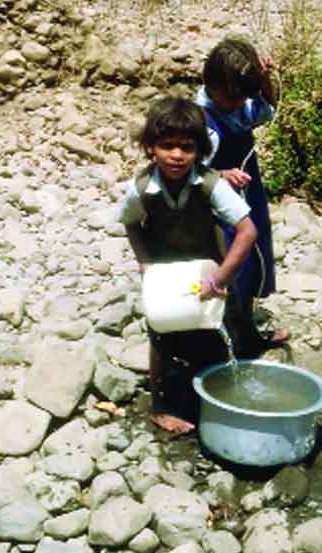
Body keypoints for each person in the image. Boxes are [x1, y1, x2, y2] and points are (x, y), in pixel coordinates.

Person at [119, 96, 258, 433]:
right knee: (162, 334)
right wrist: (145, 263)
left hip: (208, 267)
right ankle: (161, 405)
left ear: (200, 149)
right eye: (167, 146)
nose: (177, 156)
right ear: (151, 147)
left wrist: (222, 278)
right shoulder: (141, 188)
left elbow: (247, 231)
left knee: (219, 327)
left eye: (186, 147)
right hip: (166, 270)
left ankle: (216, 393)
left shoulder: (210, 184)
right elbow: (131, 224)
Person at [195, 35, 290, 358]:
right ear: (212, 84)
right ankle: (229, 341)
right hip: (218, 210)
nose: (238, 105)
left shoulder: (237, 105)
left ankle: (245, 331)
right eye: (232, 98)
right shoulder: (199, 121)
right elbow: (186, 172)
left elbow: (268, 109)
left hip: (249, 197)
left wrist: (264, 79)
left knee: (253, 260)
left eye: (242, 98)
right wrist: (220, 174)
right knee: (229, 265)